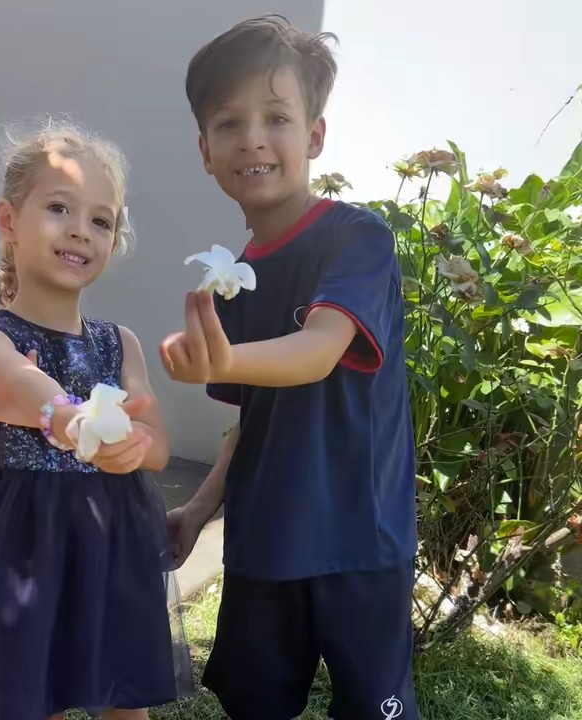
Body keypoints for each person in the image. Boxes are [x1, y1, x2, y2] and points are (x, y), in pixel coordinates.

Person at [162, 15, 419, 720]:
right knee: (255, 702)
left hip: (360, 540)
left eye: (276, 117)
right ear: (206, 152)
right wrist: (200, 507)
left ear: (314, 136)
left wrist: (224, 356)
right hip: (265, 539)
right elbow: (256, 415)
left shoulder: (356, 238)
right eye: (228, 123)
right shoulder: (236, 277)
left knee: (375, 708)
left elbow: (320, 347)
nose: (252, 138)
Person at [0, 122, 191, 720]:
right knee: (25, 689)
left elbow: (157, 448)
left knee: (122, 692)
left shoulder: (121, 343)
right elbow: (28, 384)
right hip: (28, 544)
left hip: (112, 541)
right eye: (59, 207)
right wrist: (64, 420)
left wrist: (127, 444)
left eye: (101, 220)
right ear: (8, 221)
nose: (80, 230)